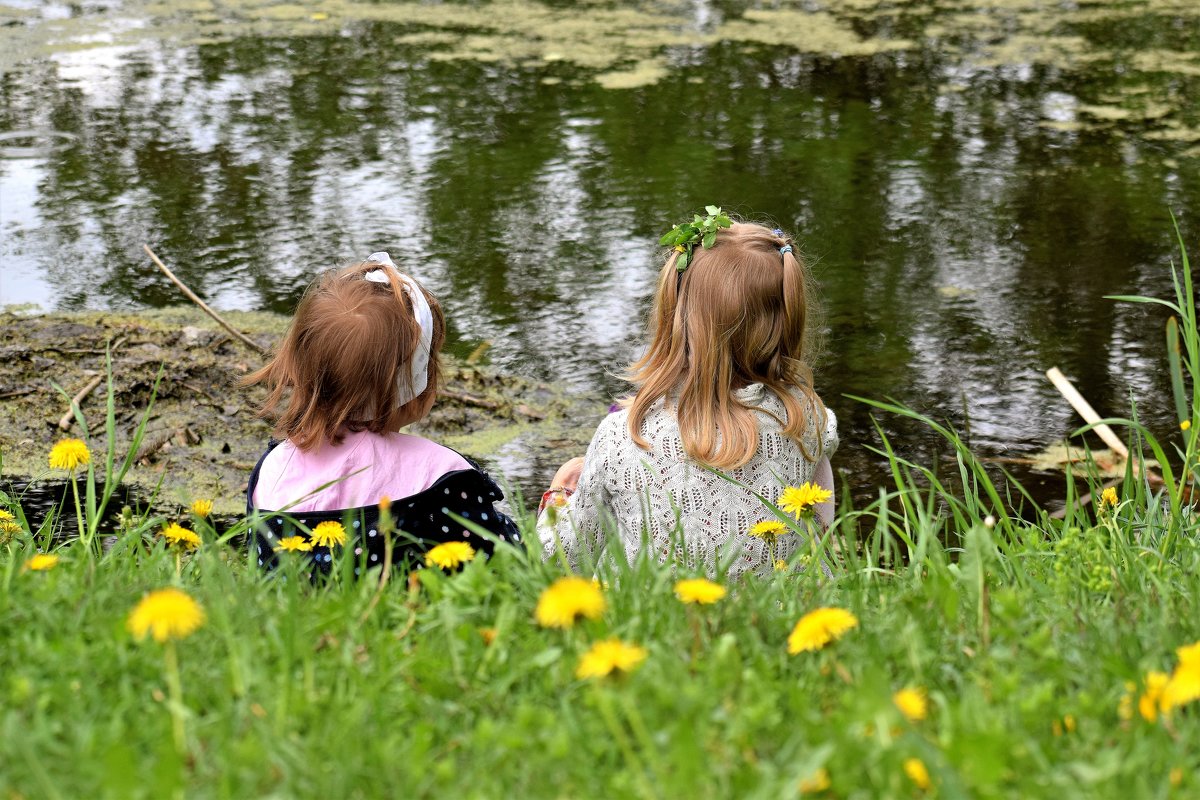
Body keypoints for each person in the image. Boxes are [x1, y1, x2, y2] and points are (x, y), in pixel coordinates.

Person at [537, 211, 837, 579]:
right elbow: (819, 537)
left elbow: (560, 562)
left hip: (647, 631)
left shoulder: (622, 436)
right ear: (788, 317)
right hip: (775, 628)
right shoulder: (808, 420)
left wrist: (559, 496)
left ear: (674, 320)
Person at [242, 252, 521, 574]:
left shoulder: (274, 470)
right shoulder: (441, 476)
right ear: (416, 383)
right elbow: (509, 562)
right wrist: (557, 498)